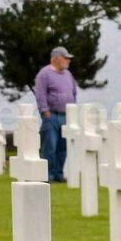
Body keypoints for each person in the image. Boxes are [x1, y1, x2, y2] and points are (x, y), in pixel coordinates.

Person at [33, 46, 78, 183]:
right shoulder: (44, 74)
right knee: (50, 146)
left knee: (62, 147)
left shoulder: (68, 74)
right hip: (51, 115)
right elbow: (40, 94)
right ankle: (48, 175)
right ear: (56, 58)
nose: (68, 61)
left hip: (66, 116)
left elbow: (74, 92)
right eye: (66, 58)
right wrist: (45, 111)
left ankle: (59, 173)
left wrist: (72, 109)